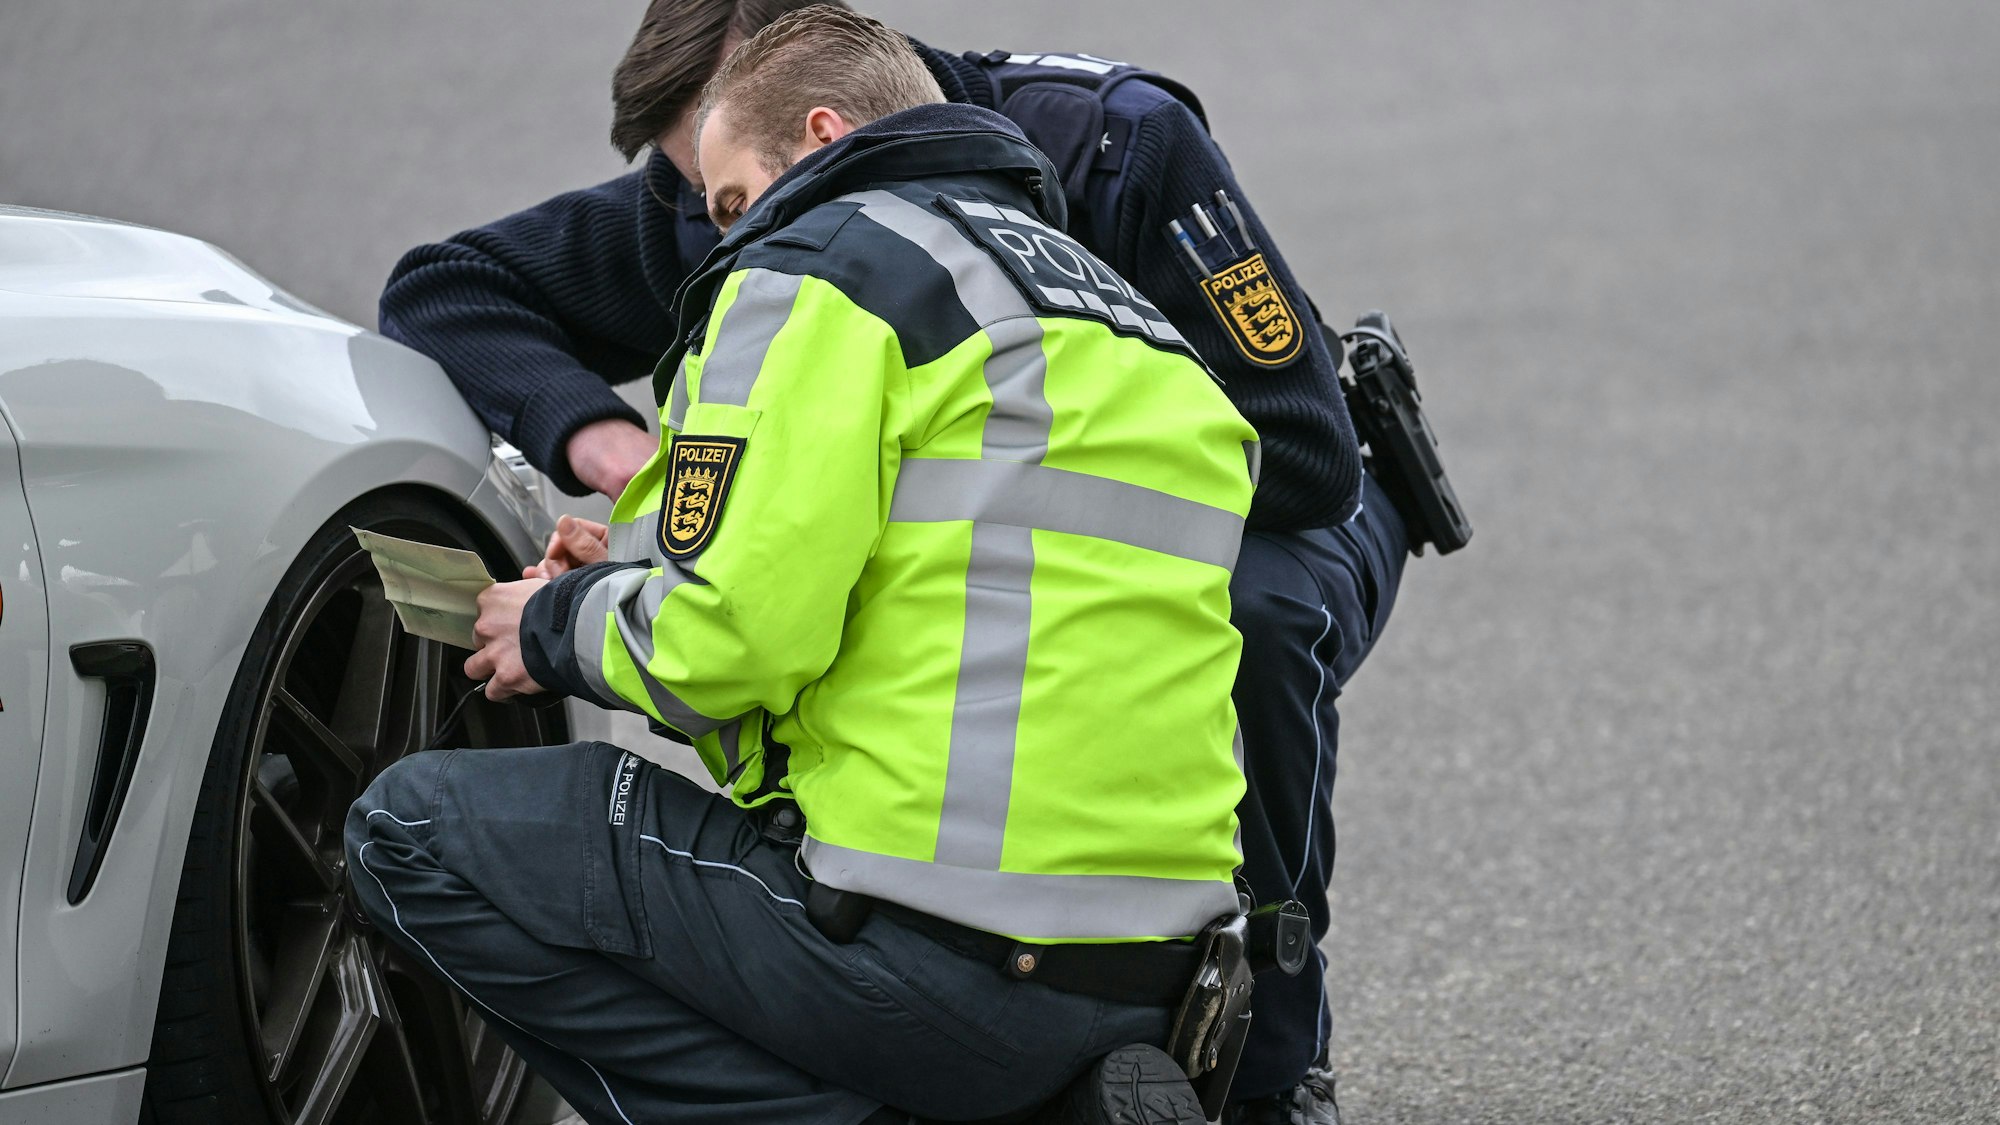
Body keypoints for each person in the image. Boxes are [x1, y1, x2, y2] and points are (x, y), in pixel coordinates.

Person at [381, 3, 1424, 1120]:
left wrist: (565, 621)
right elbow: (451, 288)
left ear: (816, 122)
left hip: (1301, 520)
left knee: (1259, 618)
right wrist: (657, 518)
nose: (719, 237)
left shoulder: (1101, 146)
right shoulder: (1113, 318)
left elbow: (734, 641)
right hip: (1149, 957)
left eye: (728, 197)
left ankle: (1276, 1070)